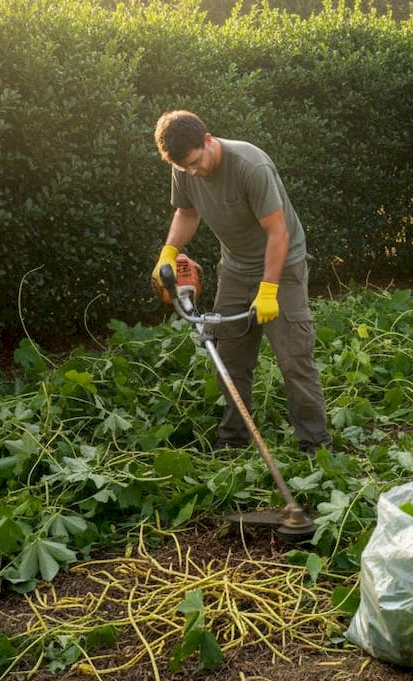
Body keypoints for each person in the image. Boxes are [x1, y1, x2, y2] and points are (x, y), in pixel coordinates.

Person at [151, 110, 331, 454]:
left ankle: (315, 445)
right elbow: (187, 212)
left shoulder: (250, 165)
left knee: (294, 357)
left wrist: (269, 290)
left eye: (194, 163)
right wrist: (169, 251)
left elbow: (278, 232)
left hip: (283, 265)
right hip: (234, 268)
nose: (192, 172)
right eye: (183, 167)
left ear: (207, 140)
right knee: (229, 357)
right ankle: (234, 440)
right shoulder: (184, 167)